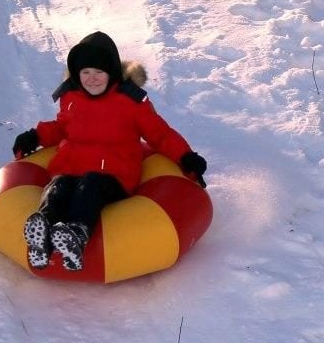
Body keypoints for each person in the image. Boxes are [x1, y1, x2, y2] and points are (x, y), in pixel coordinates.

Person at [10, 31, 208, 272]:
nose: (92, 79)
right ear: (77, 74)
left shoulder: (131, 101)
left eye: (98, 72)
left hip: (112, 173)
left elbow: (160, 134)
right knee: (59, 185)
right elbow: (62, 126)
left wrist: (185, 156)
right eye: (85, 72)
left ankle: (77, 234)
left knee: (90, 185)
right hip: (71, 167)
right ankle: (42, 234)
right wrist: (36, 136)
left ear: (111, 72)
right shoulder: (71, 96)